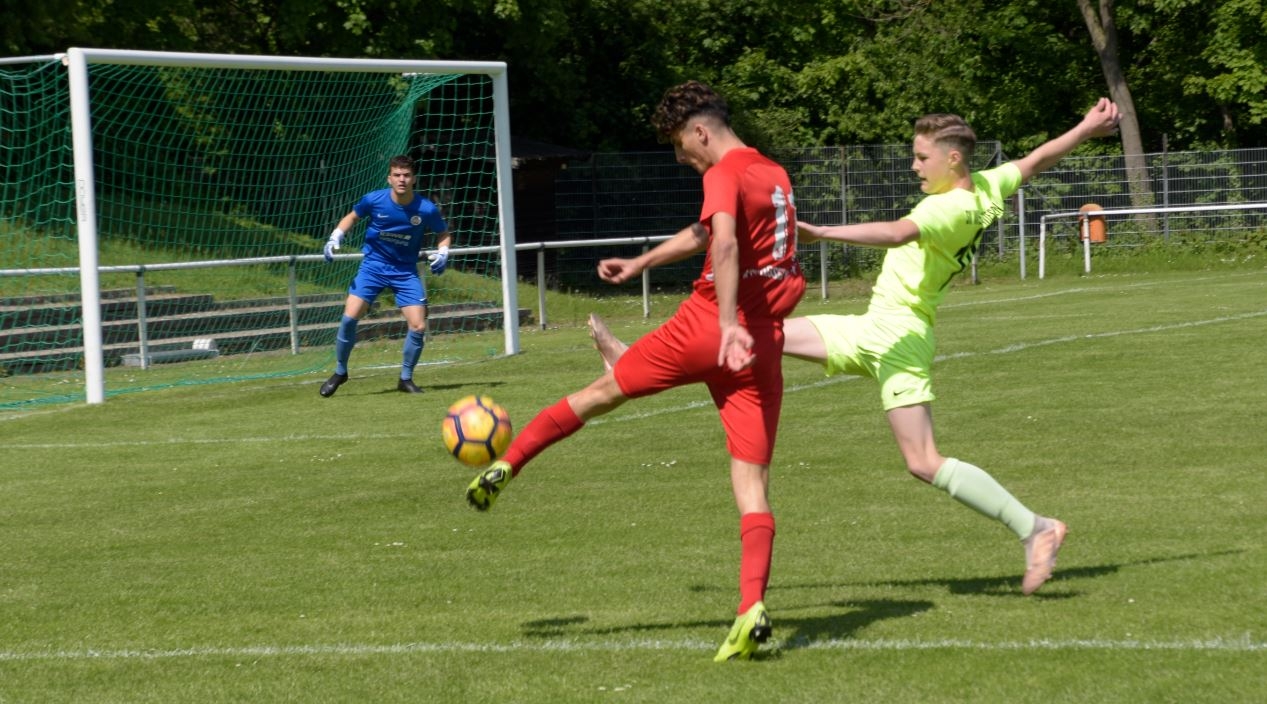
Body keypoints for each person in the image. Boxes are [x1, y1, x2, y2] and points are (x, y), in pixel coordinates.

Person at [588, 98, 1122, 596]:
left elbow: (896, 232)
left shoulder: (952, 209)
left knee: (923, 461)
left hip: (900, 339)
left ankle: (1035, 527)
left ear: (952, 158)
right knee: (756, 333)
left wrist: (821, 233)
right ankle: (635, 362)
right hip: (872, 327)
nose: (914, 166)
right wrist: (1086, 127)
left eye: (922, 158)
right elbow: (1036, 159)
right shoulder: (986, 186)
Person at [464, 81, 806, 662]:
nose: (680, 157)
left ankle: (506, 465)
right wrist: (644, 260)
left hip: (711, 328)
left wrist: (726, 323)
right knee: (752, 486)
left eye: (679, 144)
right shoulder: (773, 172)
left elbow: (724, 246)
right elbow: (707, 232)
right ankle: (751, 607)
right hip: (761, 345)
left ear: (701, 131)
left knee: (601, 393)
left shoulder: (721, 172)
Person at [318, 155, 452, 397]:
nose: (402, 179)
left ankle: (405, 379)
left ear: (414, 179)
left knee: (418, 325)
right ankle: (340, 372)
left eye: (406, 175)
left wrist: (443, 252)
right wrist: (335, 236)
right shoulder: (374, 200)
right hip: (373, 267)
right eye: (397, 175)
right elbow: (352, 217)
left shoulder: (426, 208)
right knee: (349, 318)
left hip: (405, 272)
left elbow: (443, 233)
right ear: (389, 178)